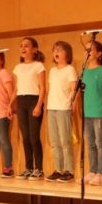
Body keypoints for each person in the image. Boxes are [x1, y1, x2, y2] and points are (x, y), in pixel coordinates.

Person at [13, 37, 47, 179]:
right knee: (25, 137)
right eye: (21, 46)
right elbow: (16, 88)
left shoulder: (38, 66)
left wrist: (39, 105)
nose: (23, 48)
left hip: (34, 100)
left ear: (34, 49)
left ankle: (39, 169)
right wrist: (11, 105)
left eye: (26, 46)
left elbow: (43, 88)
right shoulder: (18, 67)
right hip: (21, 101)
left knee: (34, 136)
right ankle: (28, 167)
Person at [46, 41, 77, 182]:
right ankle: (58, 169)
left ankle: (69, 170)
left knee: (65, 141)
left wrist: (72, 105)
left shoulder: (70, 69)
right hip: (51, 108)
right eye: (54, 49)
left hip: (64, 108)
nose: (56, 52)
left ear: (67, 53)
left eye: (60, 49)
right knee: (55, 141)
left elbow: (73, 89)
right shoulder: (52, 71)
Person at [80, 39, 102, 186]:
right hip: (87, 112)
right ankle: (91, 170)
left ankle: (100, 172)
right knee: (90, 143)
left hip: (99, 112)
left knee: (100, 143)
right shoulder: (84, 71)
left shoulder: (101, 70)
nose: (87, 52)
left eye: (90, 50)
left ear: (99, 54)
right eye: (86, 50)